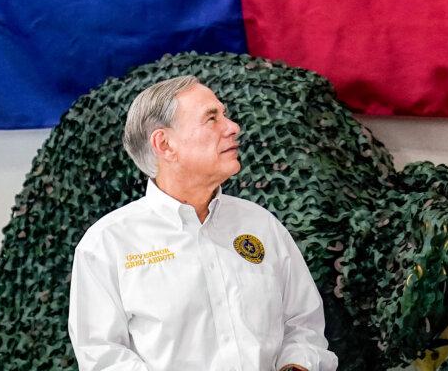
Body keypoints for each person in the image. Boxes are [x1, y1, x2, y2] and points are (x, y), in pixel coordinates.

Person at [69, 75, 337, 371]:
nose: (233, 127)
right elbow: (103, 358)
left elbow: (303, 324)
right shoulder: (107, 244)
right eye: (212, 118)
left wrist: (296, 365)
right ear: (165, 143)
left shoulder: (261, 225)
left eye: (225, 115)